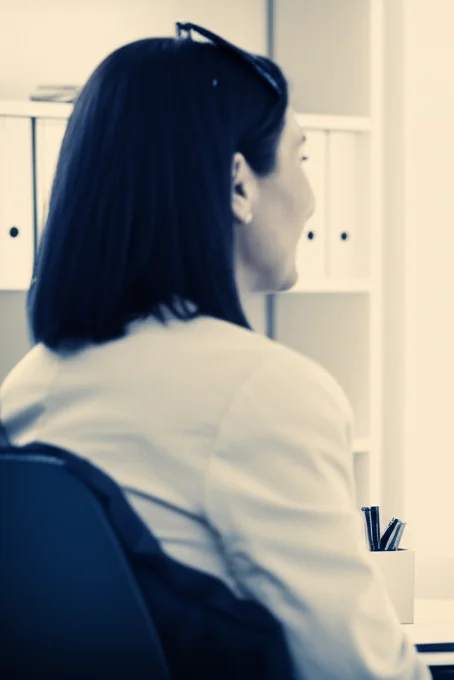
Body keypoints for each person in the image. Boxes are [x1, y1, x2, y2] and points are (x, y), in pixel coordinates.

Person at [0, 25, 430, 680]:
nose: (312, 201)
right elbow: (356, 666)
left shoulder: (29, 382)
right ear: (239, 184)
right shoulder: (263, 390)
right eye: (300, 158)